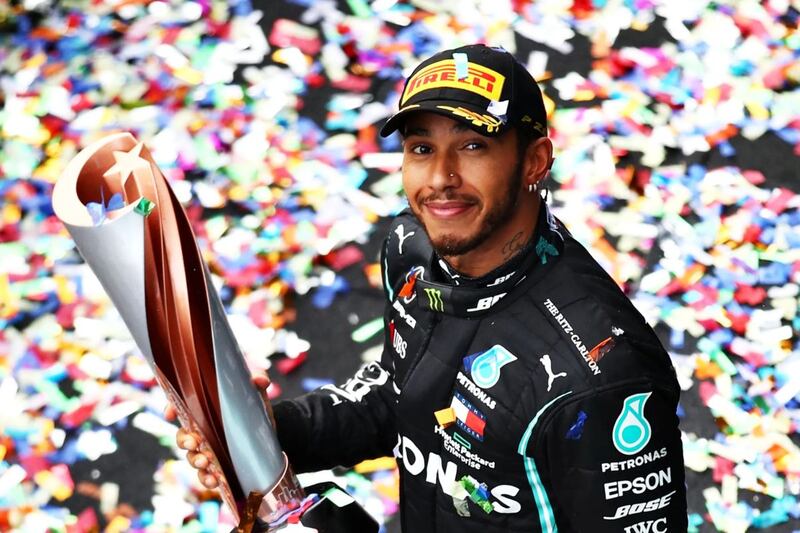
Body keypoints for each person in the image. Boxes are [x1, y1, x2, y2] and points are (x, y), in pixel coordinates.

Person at [176, 44, 688, 532]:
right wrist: (266, 434)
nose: (441, 177)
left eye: (472, 146)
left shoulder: (604, 376)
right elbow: (402, 397)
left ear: (534, 161)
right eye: (422, 148)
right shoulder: (411, 249)